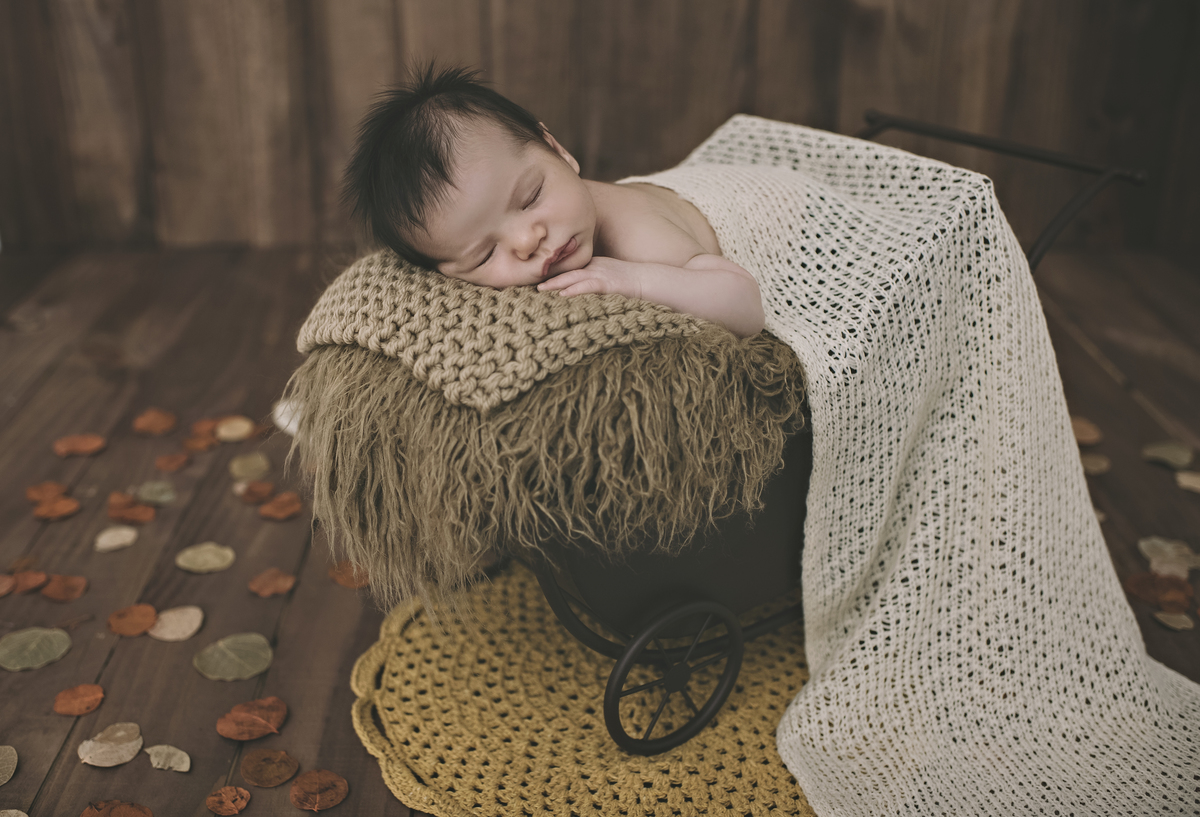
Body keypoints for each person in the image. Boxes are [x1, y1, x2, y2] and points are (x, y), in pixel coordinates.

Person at [343, 65, 765, 339]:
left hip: (760, 207)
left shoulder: (637, 234)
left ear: (558, 150)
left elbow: (745, 305)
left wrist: (635, 279)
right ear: (447, 272)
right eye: (485, 253)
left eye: (531, 198)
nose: (528, 240)